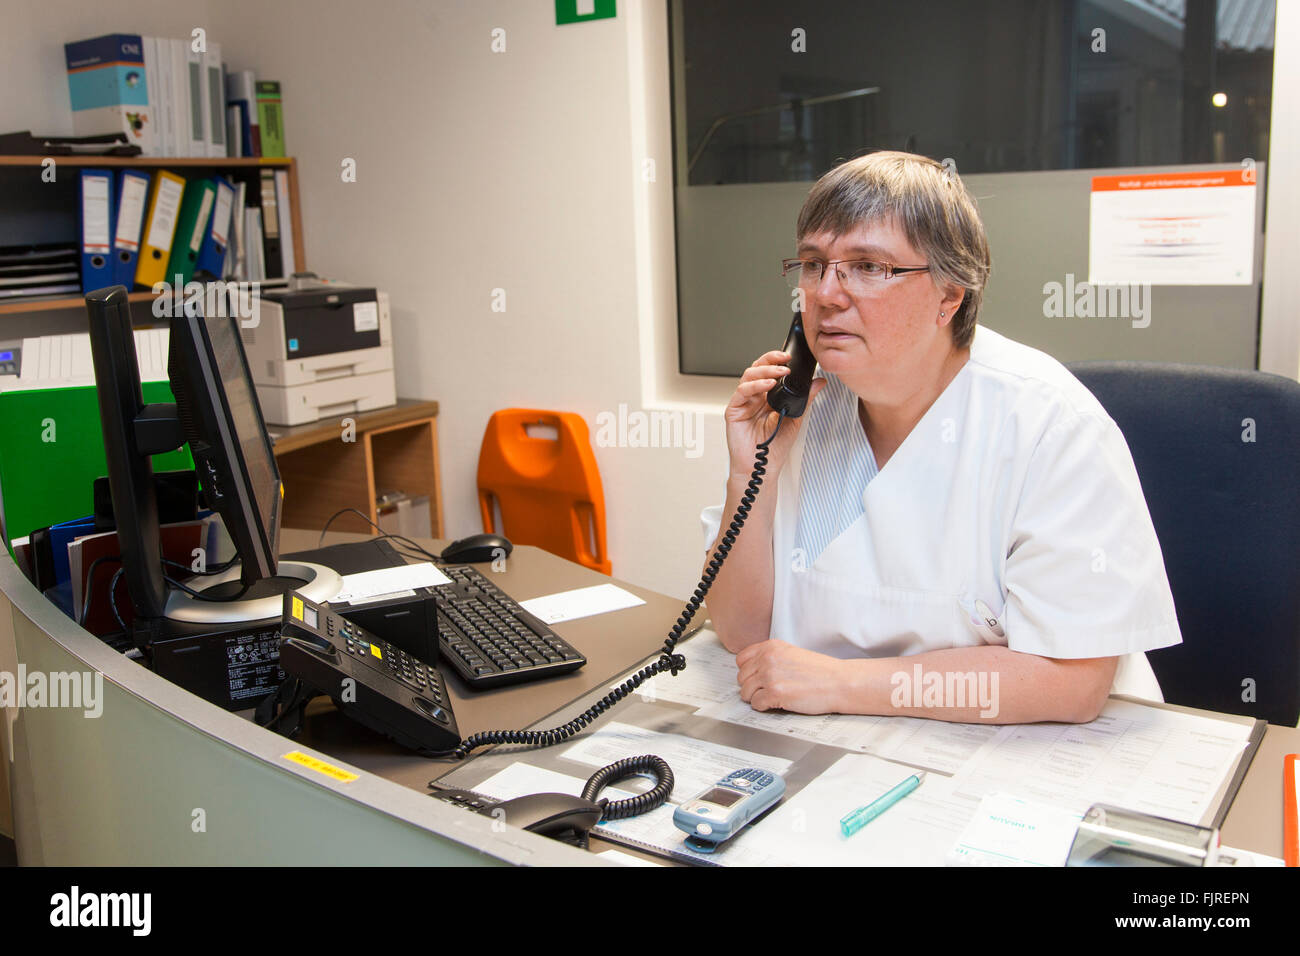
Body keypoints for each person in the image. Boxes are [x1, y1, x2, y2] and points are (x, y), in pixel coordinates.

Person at [700, 150, 1181, 724]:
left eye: (868, 267)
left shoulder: (1050, 424)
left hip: (1025, 760)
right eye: (813, 263)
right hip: (835, 748)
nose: (826, 293)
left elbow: (1071, 683)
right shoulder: (798, 412)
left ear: (949, 297)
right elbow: (739, 630)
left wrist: (843, 684)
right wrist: (749, 472)